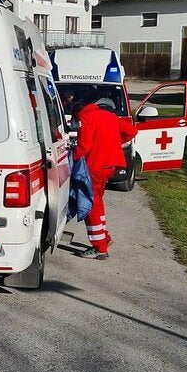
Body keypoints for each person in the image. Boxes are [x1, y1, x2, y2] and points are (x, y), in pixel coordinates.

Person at [71, 86, 137, 260]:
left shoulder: (86, 117)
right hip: (111, 165)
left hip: (95, 166)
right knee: (97, 201)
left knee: (90, 203)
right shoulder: (109, 115)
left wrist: (71, 155)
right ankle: (104, 238)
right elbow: (132, 131)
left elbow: (84, 146)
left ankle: (99, 248)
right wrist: (114, 142)